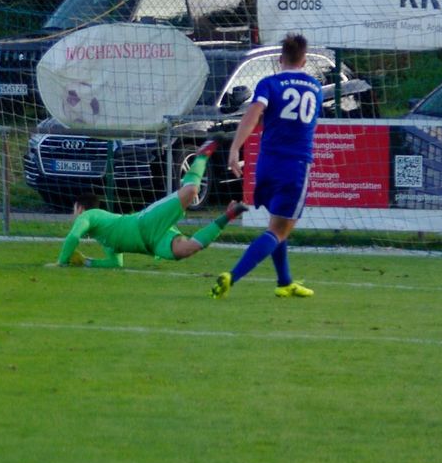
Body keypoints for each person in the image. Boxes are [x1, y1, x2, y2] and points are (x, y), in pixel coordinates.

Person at [211, 33, 320, 299]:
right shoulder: (315, 87)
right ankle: (232, 276)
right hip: (295, 165)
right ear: (304, 60)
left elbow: (254, 112)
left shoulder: (269, 83)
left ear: (280, 59)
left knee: (276, 223)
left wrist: (235, 147)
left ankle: (285, 282)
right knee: (279, 229)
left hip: (267, 164)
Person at [51, 141, 246, 269]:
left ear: (80, 208)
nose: (73, 217)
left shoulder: (89, 216)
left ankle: (202, 155)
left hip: (145, 222)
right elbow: (115, 264)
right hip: (153, 244)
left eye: (73, 212)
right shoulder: (104, 236)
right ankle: (228, 215)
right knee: (186, 249)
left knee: (191, 192)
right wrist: (86, 262)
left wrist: (60, 263)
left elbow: (73, 237)